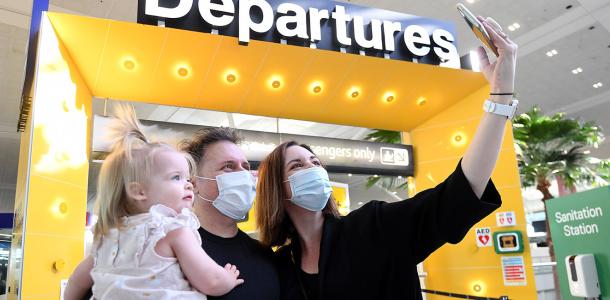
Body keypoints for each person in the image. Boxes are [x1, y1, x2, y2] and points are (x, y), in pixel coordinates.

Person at [255, 16, 517, 300]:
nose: (313, 168)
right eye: (297, 165)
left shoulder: (372, 227)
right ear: (277, 189)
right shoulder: (280, 263)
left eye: (315, 162)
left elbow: (459, 194)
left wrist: (500, 98)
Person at [64, 106, 243, 300]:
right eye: (176, 177)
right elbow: (211, 281)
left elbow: (76, 281)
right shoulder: (174, 231)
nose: (189, 185)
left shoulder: (107, 239)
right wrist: (228, 277)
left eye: (187, 178)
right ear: (139, 191)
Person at [180, 127, 281, 300]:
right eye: (228, 167)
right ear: (194, 183)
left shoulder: (264, 254)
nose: (243, 174)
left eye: (246, 167)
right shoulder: (174, 250)